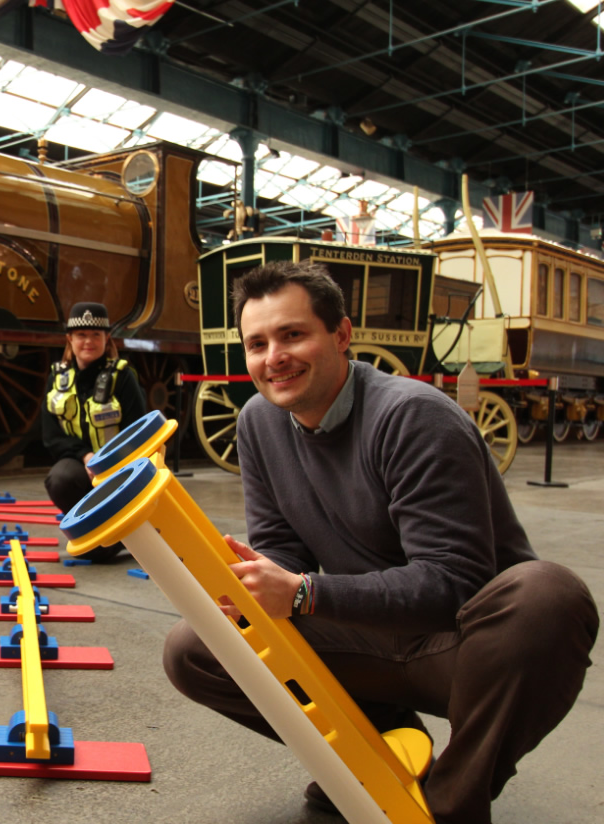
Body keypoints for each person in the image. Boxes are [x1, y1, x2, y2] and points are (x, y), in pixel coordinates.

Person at [162, 260, 598, 823]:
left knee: (549, 595)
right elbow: (283, 550)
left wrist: (302, 593)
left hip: (467, 647)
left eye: (293, 334)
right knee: (195, 648)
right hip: (369, 637)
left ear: (341, 335)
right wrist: (245, 580)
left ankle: (449, 800)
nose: (274, 357)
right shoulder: (259, 423)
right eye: (258, 343)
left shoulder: (413, 417)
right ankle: (374, 758)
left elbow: (451, 583)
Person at [41, 302, 147, 561]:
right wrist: (85, 456)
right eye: (81, 335)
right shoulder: (58, 378)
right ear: (70, 339)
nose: (88, 341)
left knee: (99, 554)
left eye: (95, 335)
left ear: (106, 338)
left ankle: (119, 536)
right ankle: (104, 539)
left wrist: (108, 463)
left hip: (121, 469)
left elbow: (138, 430)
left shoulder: (122, 377)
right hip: (81, 467)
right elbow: (50, 436)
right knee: (60, 478)